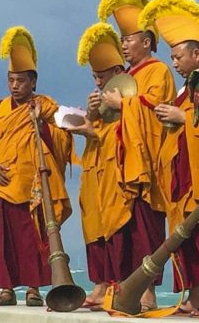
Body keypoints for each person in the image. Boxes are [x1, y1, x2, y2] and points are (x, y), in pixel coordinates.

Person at [139, 0, 199, 317]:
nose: (174, 63)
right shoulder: (183, 89)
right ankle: (192, 295)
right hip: (181, 170)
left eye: (178, 56)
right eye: (171, 57)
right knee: (184, 235)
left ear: (197, 54)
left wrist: (183, 119)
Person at [0, 25, 73, 307]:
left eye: (20, 80)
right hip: (3, 182)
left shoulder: (42, 105)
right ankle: (7, 289)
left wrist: (44, 119)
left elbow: (63, 127)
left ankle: (34, 289)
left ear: (33, 81)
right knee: (3, 240)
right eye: (10, 80)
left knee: (34, 236)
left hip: (32, 183)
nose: (14, 85)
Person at [97, 0, 176, 311]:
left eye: (128, 40)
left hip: (147, 163)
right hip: (123, 163)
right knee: (125, 232)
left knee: (146, 230)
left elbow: (156, 109)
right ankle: (123, 291)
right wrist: (101, 108)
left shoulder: (158, 71)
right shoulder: (129, 76)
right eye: (122, 41)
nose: (123, 46)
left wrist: (124, 104)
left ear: (146, 41)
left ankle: (147, 294)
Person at [69, 22, 128, 310]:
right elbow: (96, 128)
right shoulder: (102, 96)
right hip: (93, 167)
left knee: (113, 225)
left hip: (116, 168)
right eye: (94, 76)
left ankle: (116, 283)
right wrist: (90, 116)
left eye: (101, 76)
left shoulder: (126, 90)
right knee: (93, 225)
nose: (97, 82)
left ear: (117, 73)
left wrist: (93, 130)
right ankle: (100, 282)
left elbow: (132, 128)